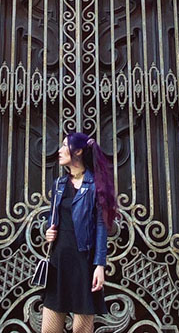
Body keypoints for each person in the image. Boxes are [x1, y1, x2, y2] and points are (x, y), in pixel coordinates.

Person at [41, 132, 119, 333]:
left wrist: (100, 265)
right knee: (49, 330)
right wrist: (48, 231)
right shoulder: (58, 185)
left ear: (78, 151)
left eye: (64, 146)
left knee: (81, 330)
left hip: (83, 263)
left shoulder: (94, 185)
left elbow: (102, 228)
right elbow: (53, 220)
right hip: (59, 262)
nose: (59, 151)